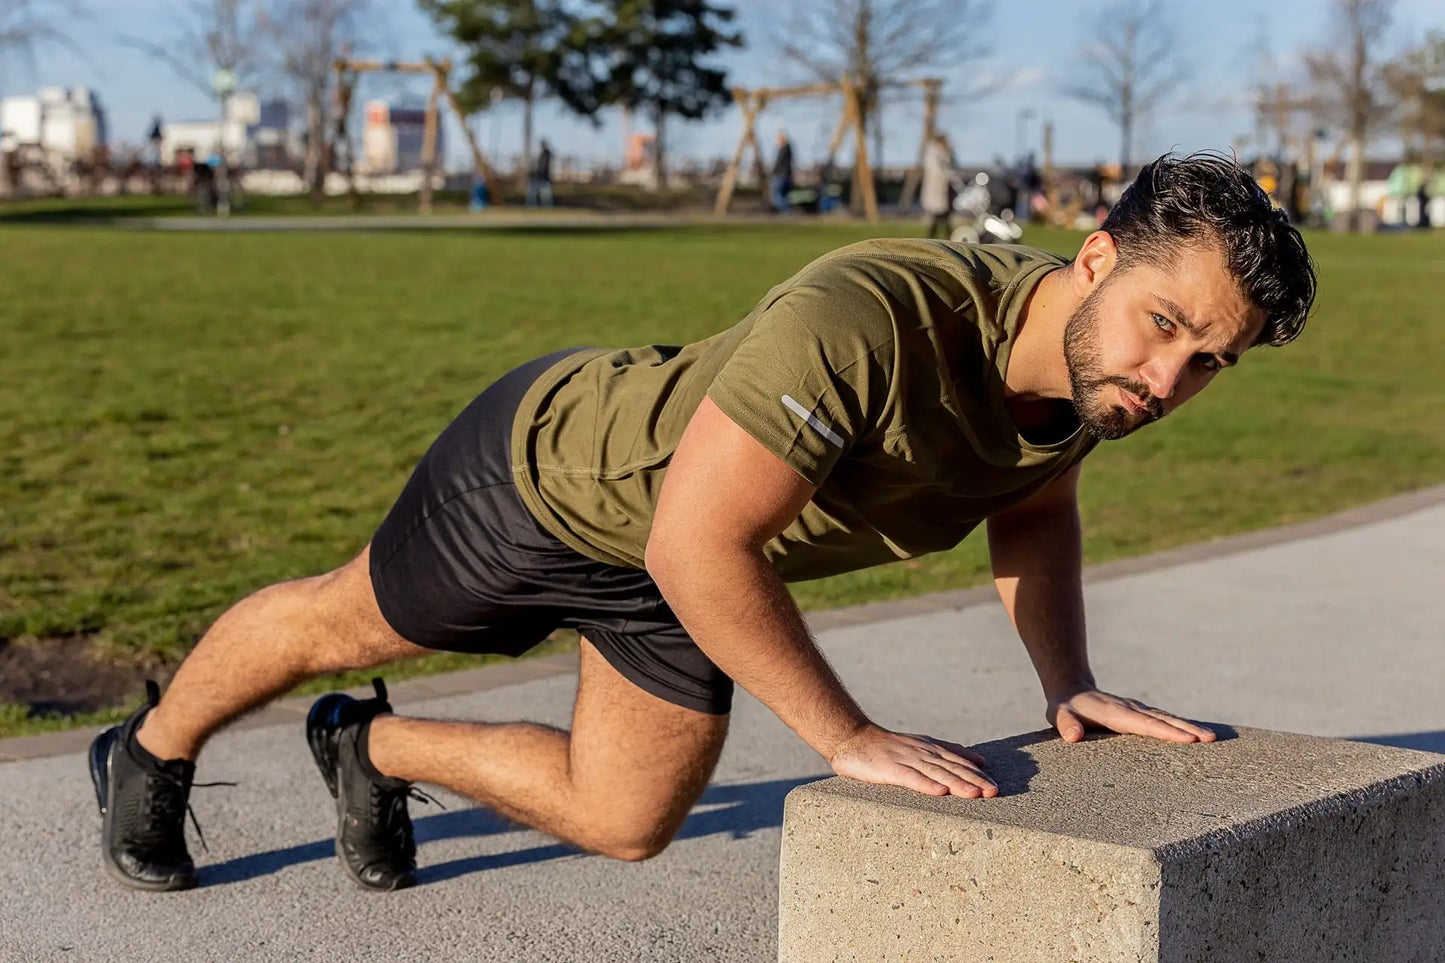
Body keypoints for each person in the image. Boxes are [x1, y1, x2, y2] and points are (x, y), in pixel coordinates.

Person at [90, 152, 1316, 893]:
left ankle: (368, 753)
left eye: (1208, 361)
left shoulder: (1080, 394)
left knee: (622, 824)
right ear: (1096, 259)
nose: (1167, 380)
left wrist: (1071, 681)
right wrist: (841, 733)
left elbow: (1033, 512)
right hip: (557, 480)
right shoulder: (871, 314)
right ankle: (150, 753)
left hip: (682, 569)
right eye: (1165, 323)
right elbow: (693, 538)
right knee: (333, 623)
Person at [920, 133, 957, 239]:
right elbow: (938, 171)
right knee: (938, 215)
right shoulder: (933, 154)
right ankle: (935, 237)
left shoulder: (946, 154)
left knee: (945, 216)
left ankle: (947, 237)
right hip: (936, 191)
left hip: (944, 191)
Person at [771, 131, 794, 212]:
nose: (777, 142)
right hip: (785, 175)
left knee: (777, 196)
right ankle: (786, 211)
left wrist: (773, 172)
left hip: (781, 175)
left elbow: (779, 163)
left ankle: (787, 210)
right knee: (783, 195)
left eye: (778, 140)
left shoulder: (784, 150)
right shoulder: (787, 149)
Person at [527, 139, 554, 208]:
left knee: (546, 198)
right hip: (537, 178)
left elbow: (544, 166)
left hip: (544, 178)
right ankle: (531, 209)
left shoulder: (547, 153)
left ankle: (547, 209)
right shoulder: (540, 155)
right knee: (531, 195)